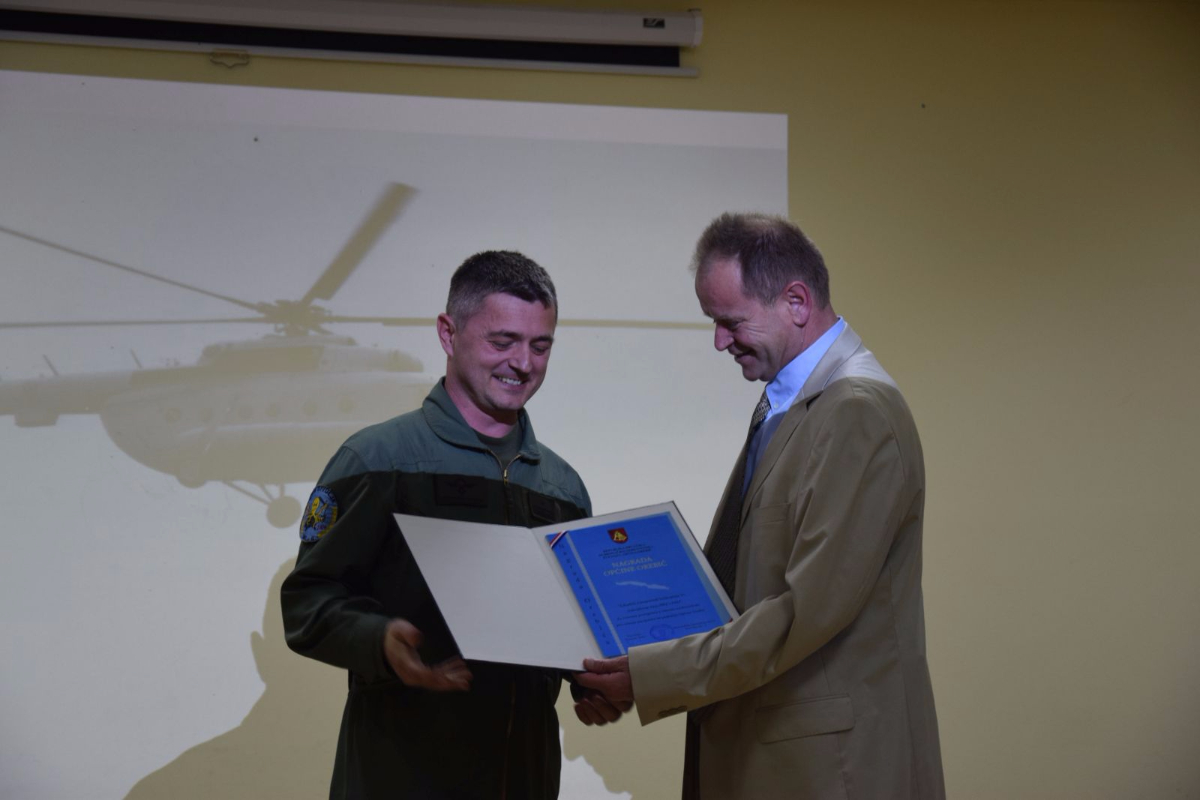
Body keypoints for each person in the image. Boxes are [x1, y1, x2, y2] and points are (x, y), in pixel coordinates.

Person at [577, 214, 945, 800]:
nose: (720, 342)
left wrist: (650, 674)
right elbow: (743, 583)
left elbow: (804, 611)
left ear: (796, 302)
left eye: (730, 322)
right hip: (768, 750)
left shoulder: (857, 410)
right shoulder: (788, 404)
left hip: (827, 770)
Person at [282, 250, 613, 800]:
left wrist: (590, 681)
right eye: (502, 341)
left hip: (525, 780)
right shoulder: (377, 459)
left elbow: (566, 626)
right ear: (447, 333)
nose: (523, 363)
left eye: (540, 346)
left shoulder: (563, 487)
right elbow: (307, 601)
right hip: (398, 777)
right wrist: (379, 639)